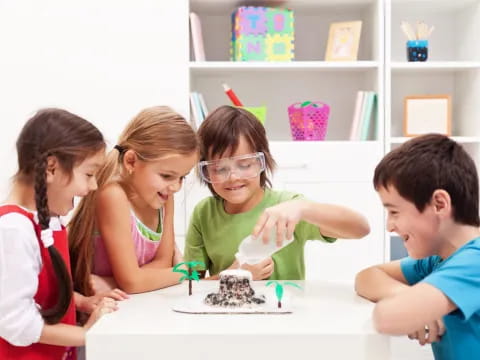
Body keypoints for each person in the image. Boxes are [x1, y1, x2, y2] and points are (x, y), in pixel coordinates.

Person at [184, 105, 370, 280]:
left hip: (286, 312)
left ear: (262, 162)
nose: (233, 177)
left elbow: (360, 228)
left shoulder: (287, 207)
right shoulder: (204, 213)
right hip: (227, 314)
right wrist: (234, 274)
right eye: (219, 169)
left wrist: (303, 209)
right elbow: (190, 285)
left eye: (245, 165)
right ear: (205, 171)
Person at [0, 109, 124, 360]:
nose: (93, 186)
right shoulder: (13, 230)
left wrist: (81, 302)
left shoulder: (48, 220)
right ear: (51, 168)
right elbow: (16, 323)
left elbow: (41, 294)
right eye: (89, 174)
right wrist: (85, 334)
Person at [354, 134, 480, 360]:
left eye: (394, 212)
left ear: (439, 204)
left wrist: (412, 306)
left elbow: (387, 318)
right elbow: (366, 276)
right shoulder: (439, 261)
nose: (389, 226)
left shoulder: (475, 262)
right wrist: (406, 294)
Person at [69, 106, 198, 295]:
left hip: (131, 303)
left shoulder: (164, 196)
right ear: (131, 162)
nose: (176, 187)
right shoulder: (113, 195)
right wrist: (184, 272)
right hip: (97, 311)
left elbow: (162, 263)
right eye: (166, 176)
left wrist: (115, 282)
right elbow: (133, 283)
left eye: (182, 177)